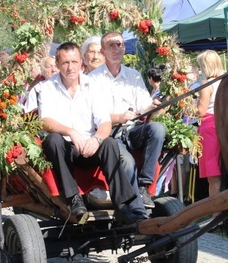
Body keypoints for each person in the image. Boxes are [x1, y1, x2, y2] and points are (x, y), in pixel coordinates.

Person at [38, 42, 148, 226]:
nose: (70, 67)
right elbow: (45, 121)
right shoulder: (48, 87)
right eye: (65, 63)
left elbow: (104, 122)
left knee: (110, 143)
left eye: (74, 62)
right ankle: (74, 199)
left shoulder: (92, 86)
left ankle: (123, 204)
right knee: (53, 140)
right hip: (65, 149)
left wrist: (96, 139)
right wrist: (70, 132)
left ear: (81, 63)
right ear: (57, 64)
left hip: (90, 146)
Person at [89, 31, 166, 209]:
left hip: (132, 130)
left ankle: (144, 186)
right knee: (128, 162)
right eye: (111, 45)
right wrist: (118, 117)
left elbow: (144, 108)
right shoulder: (92, 80)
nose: (117, 49)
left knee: (158, 128)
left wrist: (153, 106)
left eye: (120, 45)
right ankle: (134, 207)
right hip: (109, 133)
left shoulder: (134, 75)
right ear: (102, 52)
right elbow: (92, 116)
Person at [196, 50, 224, 196]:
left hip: (209, 127)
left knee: (214, 178)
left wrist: (189, 108)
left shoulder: (207, 85)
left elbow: (200, 111)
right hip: (224, 123)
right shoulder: (226, 80)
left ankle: (216, 214)